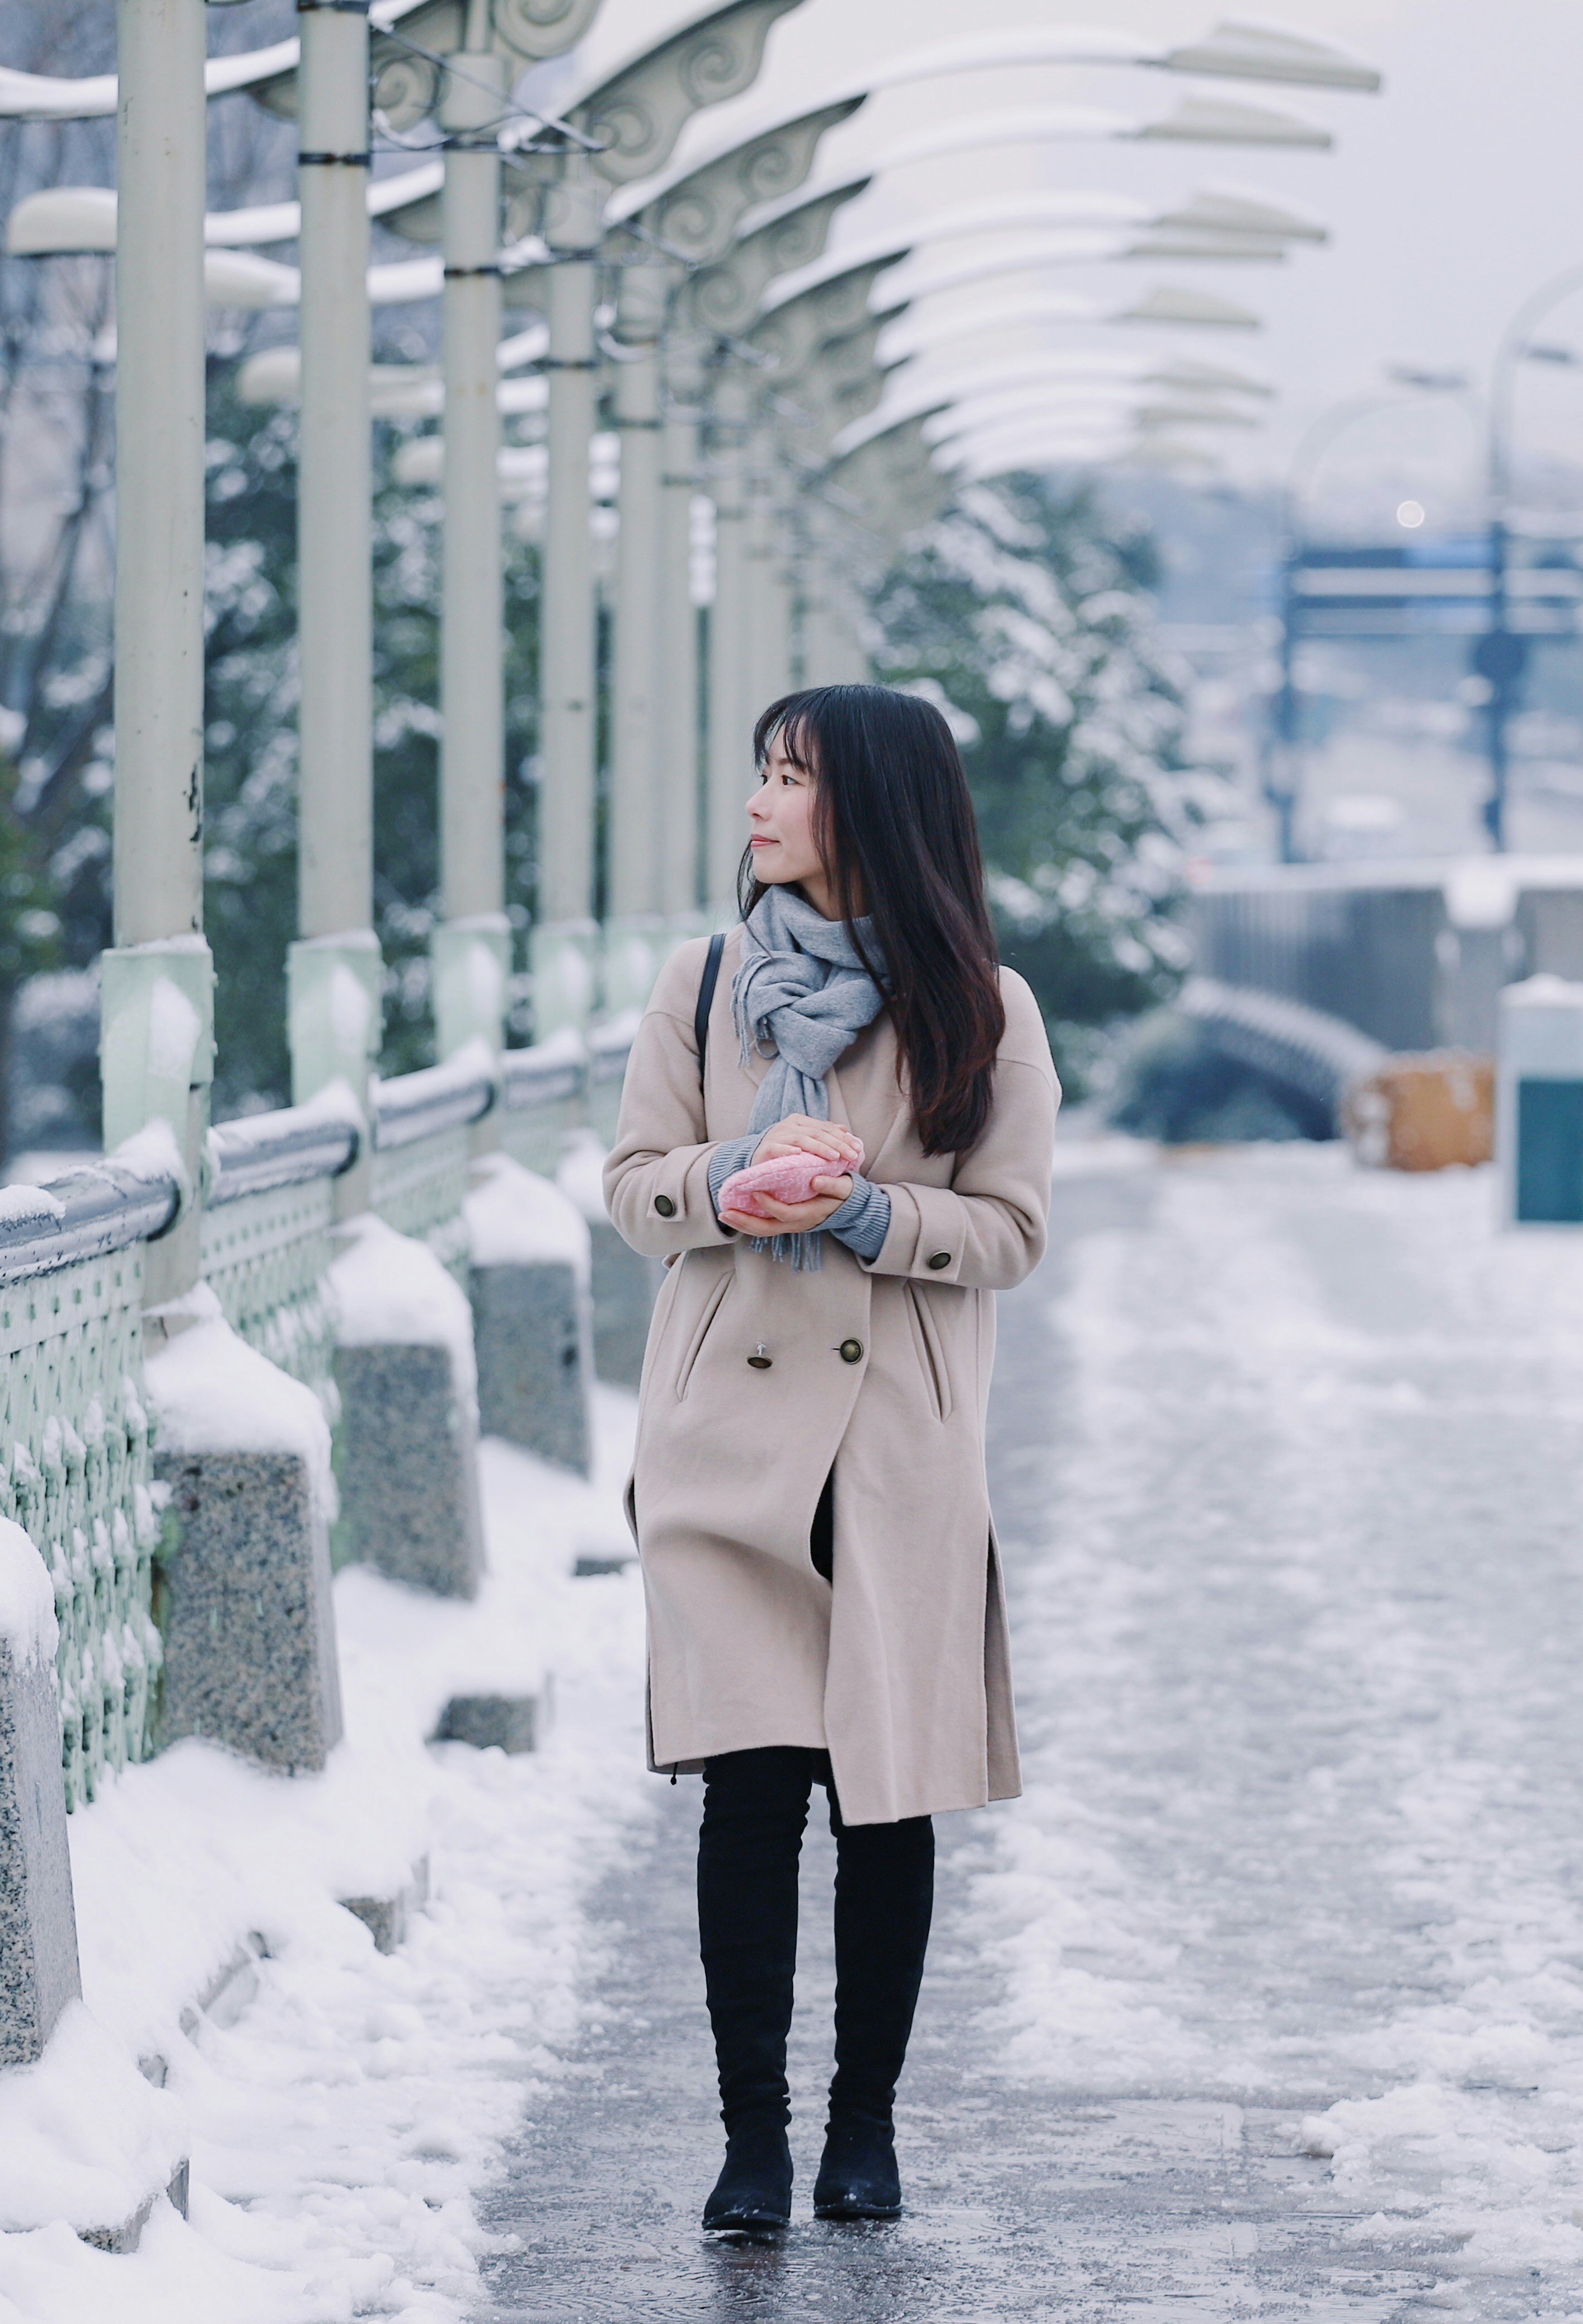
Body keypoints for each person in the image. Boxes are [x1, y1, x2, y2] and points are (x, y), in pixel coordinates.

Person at [602, 683, 1060, 2234]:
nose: (761, 800)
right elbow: (632, 1183)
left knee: (883, 1797)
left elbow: (1011, 1233)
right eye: (760, 772)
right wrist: (735, 1183)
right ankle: (753, 2143)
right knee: (749, 1794)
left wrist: (871, 1215)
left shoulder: (982, 1008)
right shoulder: (709, 980)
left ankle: (866, 2127)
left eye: (791, 777)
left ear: (868, 804)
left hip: (892, 1450)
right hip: (726, 1440)